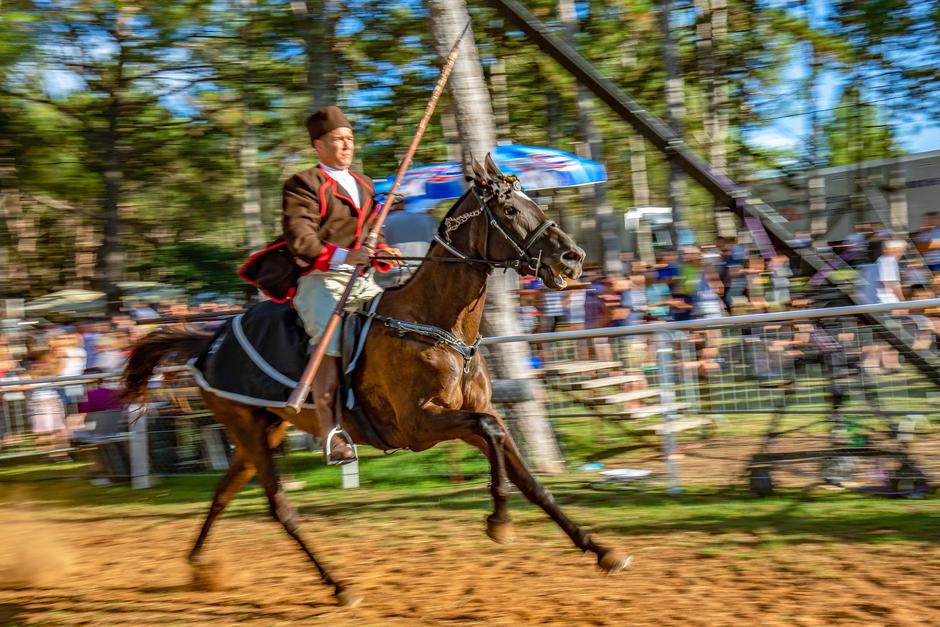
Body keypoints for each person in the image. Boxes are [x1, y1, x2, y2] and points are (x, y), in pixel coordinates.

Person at [281, 106, 400, 461]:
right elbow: (300, 239)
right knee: (329, 343)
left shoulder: (364, 184)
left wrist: (382, 251)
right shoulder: (303, 183)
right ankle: (331, 433)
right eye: (338, 140)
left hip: (361, 280)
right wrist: (344, 257)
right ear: (319, 145)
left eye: (350, 139)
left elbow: (367, 237)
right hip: (320, 280)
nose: (347, 146)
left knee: (396, 324)